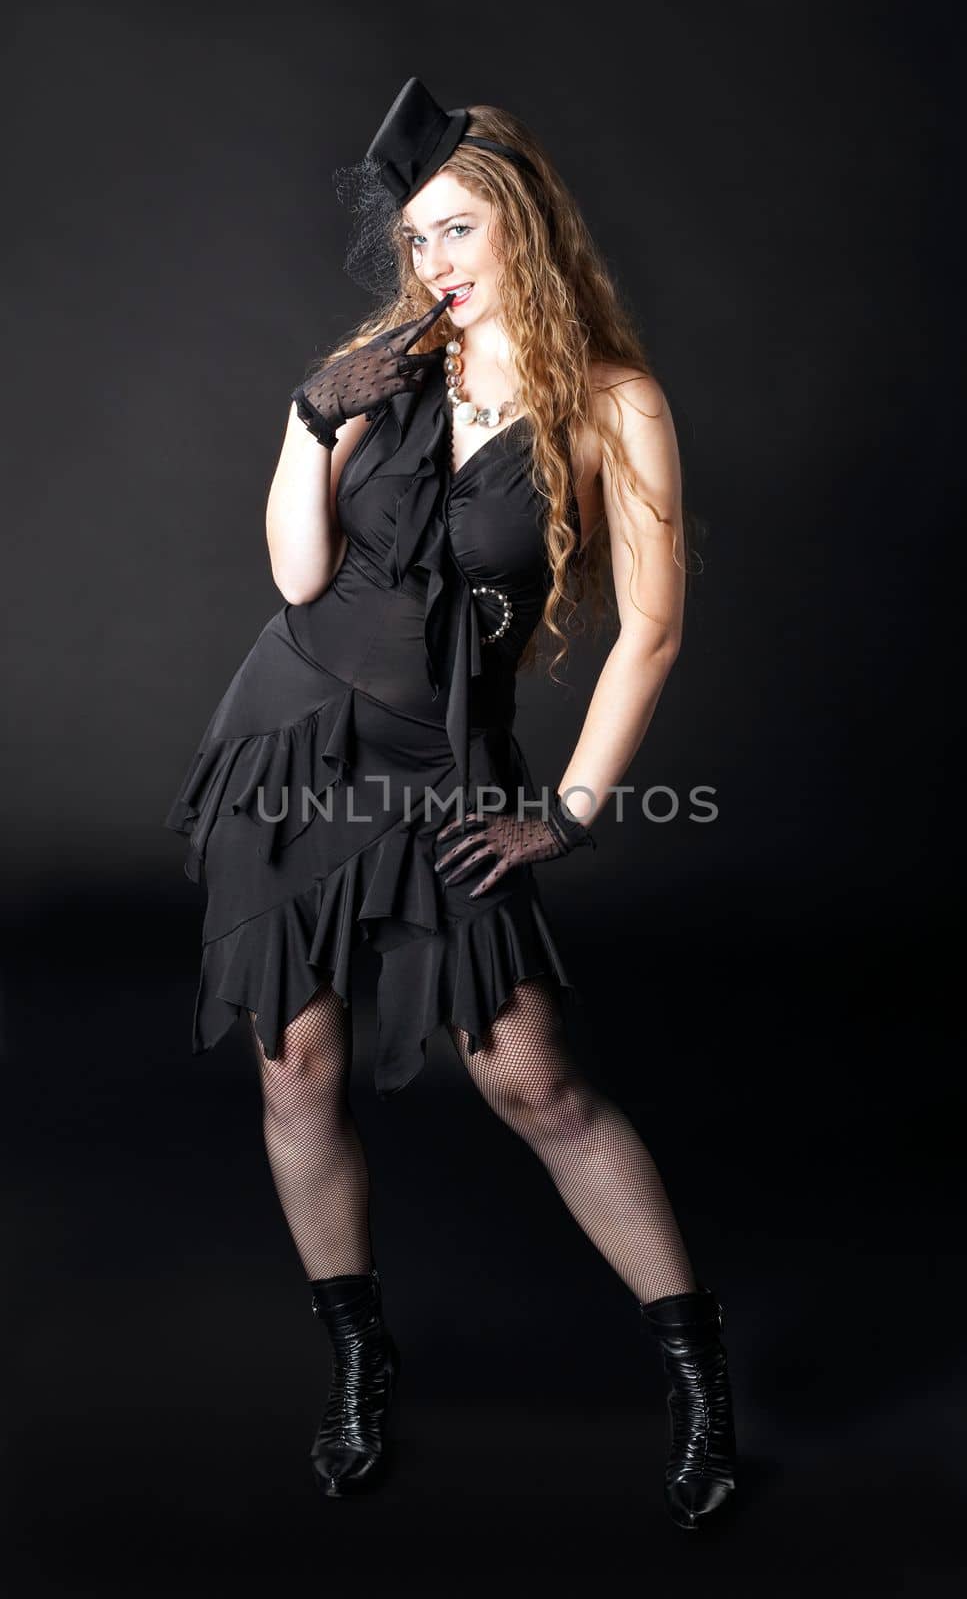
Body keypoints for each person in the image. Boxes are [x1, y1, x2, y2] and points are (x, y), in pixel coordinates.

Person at [164, 77, 737, 1529]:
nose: (438, 263)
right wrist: (309, 421)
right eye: (419, 238)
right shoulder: (384, 361)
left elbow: (652, 630)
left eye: (462, 228)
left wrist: (581, 808)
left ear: (525, 227)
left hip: (442, 770)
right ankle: (359, 1356)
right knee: (296, 1065)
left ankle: (699, 1374)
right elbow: (298, 579)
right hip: (291, 739)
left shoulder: (615, 402)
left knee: (533, 1077)